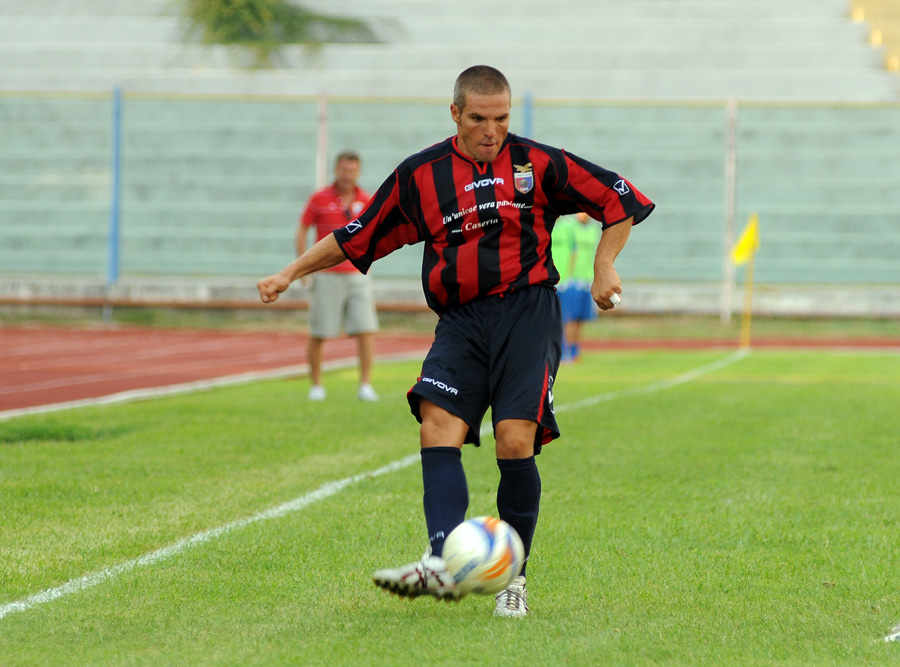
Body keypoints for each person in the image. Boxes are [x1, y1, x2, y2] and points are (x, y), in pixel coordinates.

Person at [257, 65, 654, 617]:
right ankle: (442, 559)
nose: (491, 130)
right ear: (455, 114)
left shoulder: (539, 162)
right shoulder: (420, 175)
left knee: (514, 439)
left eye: (501, 118)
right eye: (478, 119)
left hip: (527, 312)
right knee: (436, 426)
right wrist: (287, 274)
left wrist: (605, 263)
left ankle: (513, 578)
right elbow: (355, 236)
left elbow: (621, 200)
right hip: (461, 321)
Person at [297, 150, 379, 402]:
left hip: (356, 275)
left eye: (352, 171)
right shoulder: (319, 198)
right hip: (326, 274)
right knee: (320, 330)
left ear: (359, 172)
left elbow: (375, 233)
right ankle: (316, 385)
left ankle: (365, 384)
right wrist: (303, 268)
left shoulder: (366, 199)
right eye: (344, 170)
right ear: (336, 169)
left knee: (365, 330)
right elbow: (302, 230)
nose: (348, 175)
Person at [554, 212, 602, 363]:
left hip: (586, 278)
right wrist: (568, 275)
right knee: (569, 317)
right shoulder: (569, 226)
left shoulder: (593, 229)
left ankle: (574, 350)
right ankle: (565, 352)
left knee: (580, 318)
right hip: (569, 279)